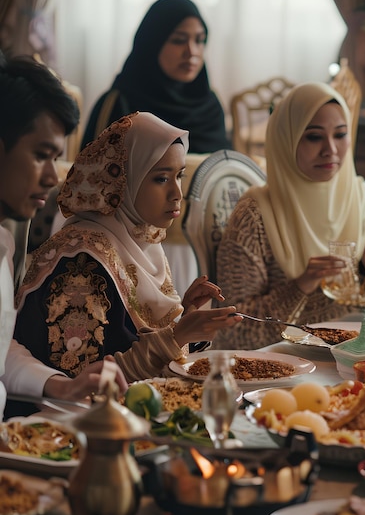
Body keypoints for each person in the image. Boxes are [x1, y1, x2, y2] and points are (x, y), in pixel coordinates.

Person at [15, 112, 241, 383]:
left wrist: (186, 320)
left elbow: (143, 352)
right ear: (123, 181)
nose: (177, 193)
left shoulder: (141, 243)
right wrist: (177, 336)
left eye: (179, 176)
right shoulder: (81, 265)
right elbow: (84, 383)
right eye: (161, 178)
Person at [213, 82, 365, 349]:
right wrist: (300, 286)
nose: (330, 149)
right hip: (276, 366)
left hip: (353, 358)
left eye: (340, 135)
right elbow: (234, 332)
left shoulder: (360, 197)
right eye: (313, 137)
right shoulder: (256, 215)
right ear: (286, 140)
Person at [0, 54, 127, 416]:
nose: (53, 178)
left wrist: (63, 384)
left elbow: (0, 349)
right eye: (41, 155)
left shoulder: (3, 244)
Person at [81, 0, 229, 154]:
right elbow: (91, 172)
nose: (192, 52)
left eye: (199, 40)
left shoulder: (209, 106)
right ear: (152, 44)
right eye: (179, 40)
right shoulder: (120, 105)